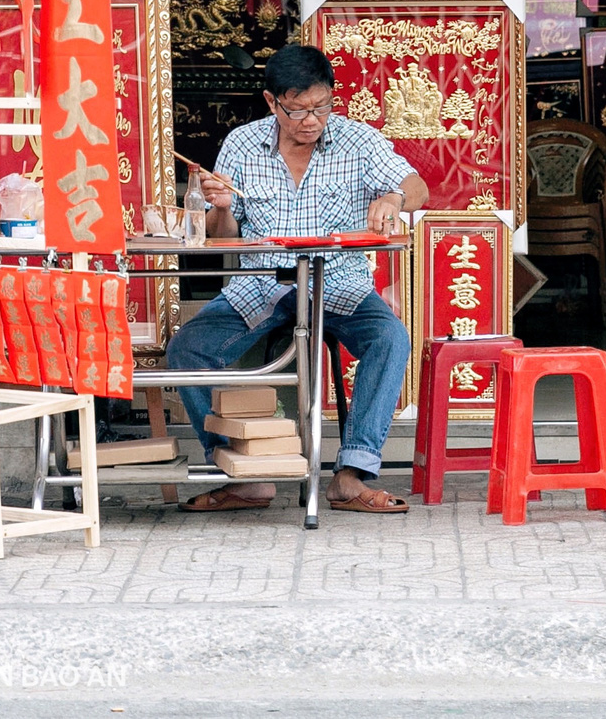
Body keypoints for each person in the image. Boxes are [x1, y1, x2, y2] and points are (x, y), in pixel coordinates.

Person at [166, 45, 427, 514]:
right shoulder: (242, 144)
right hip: (262, 284)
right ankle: (246, 473)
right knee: (188, 348)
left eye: (321, 105)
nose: (312, 119)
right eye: (298, 108)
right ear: (272, 102)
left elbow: (417, 185)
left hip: (338, 283)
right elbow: (224, 238)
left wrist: (392, 198)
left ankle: (352, 473)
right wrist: (223, 209)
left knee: (390, 338)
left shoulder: (356, 140)